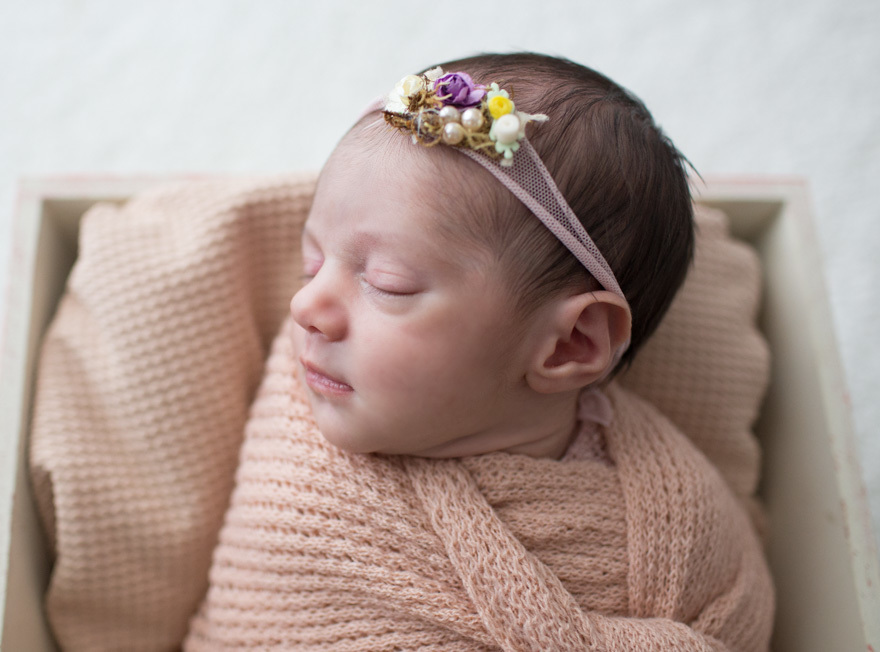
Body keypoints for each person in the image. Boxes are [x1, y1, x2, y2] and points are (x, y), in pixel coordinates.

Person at [181, 52, 775, 650]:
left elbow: (734, 622)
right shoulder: (307, 437)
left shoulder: (677, 523)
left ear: (570, 344)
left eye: (387, 283)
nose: (306, 306)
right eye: (312, 262)